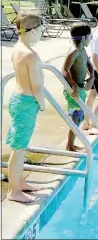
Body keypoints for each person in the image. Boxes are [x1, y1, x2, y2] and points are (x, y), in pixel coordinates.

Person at [5, 11, 45, 203]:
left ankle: (19, 182)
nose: (42, 32)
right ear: (31, 30)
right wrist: (42, 103)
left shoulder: (17, 48)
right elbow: (37, 86)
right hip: (26, 102)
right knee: (18, 148)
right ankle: (13, 191)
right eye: (40, 29)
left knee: (19, 144)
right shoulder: (31, 55)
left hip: (17, 98)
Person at [62, 22, 94, 152]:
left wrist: (91, 77)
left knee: (79, 117)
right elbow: (64, 71)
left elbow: (88, 63)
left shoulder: (83, 50)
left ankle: (71, 144)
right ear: (83, 38)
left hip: (80, 88)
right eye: (89, 36)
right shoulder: (74, 51)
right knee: (76, 116)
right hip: (72, 90)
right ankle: (70, 146)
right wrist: (74, 85)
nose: (91, 39)